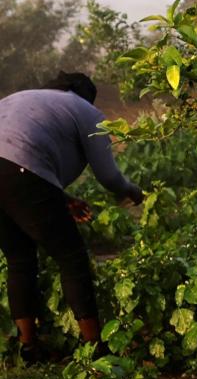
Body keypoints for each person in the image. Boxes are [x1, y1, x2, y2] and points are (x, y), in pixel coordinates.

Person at [0, 72, 143, 361]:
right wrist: (132, 191)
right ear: (85, 94)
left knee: (19, 258)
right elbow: (108, 175)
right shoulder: (85, 110)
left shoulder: (26, 98)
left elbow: (13, 155)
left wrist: (62, 199)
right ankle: (94, 349)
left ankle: (29, 347)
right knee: (71, 257)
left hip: (18, 172)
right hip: (22, 171)